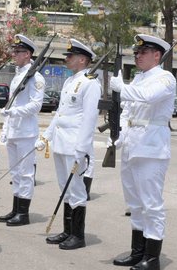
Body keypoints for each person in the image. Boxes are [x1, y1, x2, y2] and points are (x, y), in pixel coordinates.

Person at [108, 34, 176, 269]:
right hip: (132, 146)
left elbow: (148, 98)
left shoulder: (165, 78)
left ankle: (152, 256)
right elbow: (128, 112)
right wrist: (120, 136)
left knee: (151, 204)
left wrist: (122, 88)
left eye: (142, 52)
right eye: (136, 53)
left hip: (151, 147)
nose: (137, 56)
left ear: (156, 55)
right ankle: (138, 251)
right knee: (135, 203)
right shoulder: (138, 78)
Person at [37, 38, 101, 250]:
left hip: (76, 145)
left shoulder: (91, 84)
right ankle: (67, 231)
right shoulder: (68, 82)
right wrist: (46, 136)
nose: (67, 59)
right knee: (64, 187)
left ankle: (78, 235)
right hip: (61, 143)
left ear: (82, 60)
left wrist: (81, 149)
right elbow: (60, 114)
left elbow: (90, 118)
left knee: (77, 190)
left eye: (70, 56)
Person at [0, 34, 45, 226]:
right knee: (15, 173)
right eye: (14, 51)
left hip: (26, 132)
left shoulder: (36, 77)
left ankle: (23, 213)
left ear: (27, 54)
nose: (14, 54)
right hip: (15, 131)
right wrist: (7, 129)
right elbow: (13, 102)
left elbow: (36, 106)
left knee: (26, 174)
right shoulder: (18, 75)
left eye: (17, 52)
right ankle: (15, 208)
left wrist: (13, 113)